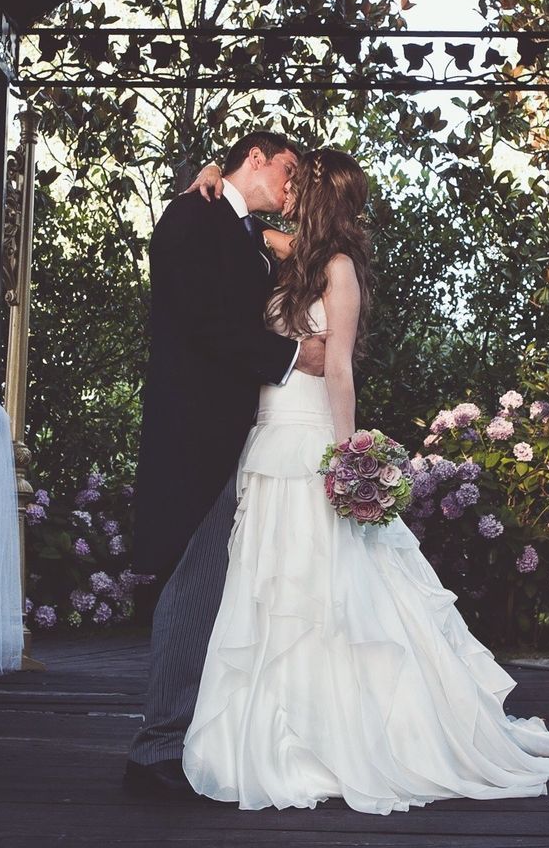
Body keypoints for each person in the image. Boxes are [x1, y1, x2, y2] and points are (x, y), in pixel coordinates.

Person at [178, 149, 549, 813]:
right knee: (271, 591)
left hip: (313, 441)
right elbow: (234, 232)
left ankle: (345, 735)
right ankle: (278, 726)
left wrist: (350, 457)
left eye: (299, 184)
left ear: (316, 198)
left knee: (331, 594)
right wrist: (210, 175)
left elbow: (340, 370)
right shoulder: (287, 257)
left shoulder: (338, 269)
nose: (286, 190)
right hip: (268, 443)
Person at [123, 131, 328, 801]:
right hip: (196, 435)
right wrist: (297, 359)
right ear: (257, 159)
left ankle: (193, 735)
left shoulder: (239, 229)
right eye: (289, 171)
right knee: (194, 584)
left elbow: (270, 266)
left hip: (243, 436)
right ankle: (156, 751)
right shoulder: (192, 216)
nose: (292, 187)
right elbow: (202, 320)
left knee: (220, 588)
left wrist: (258, 227)